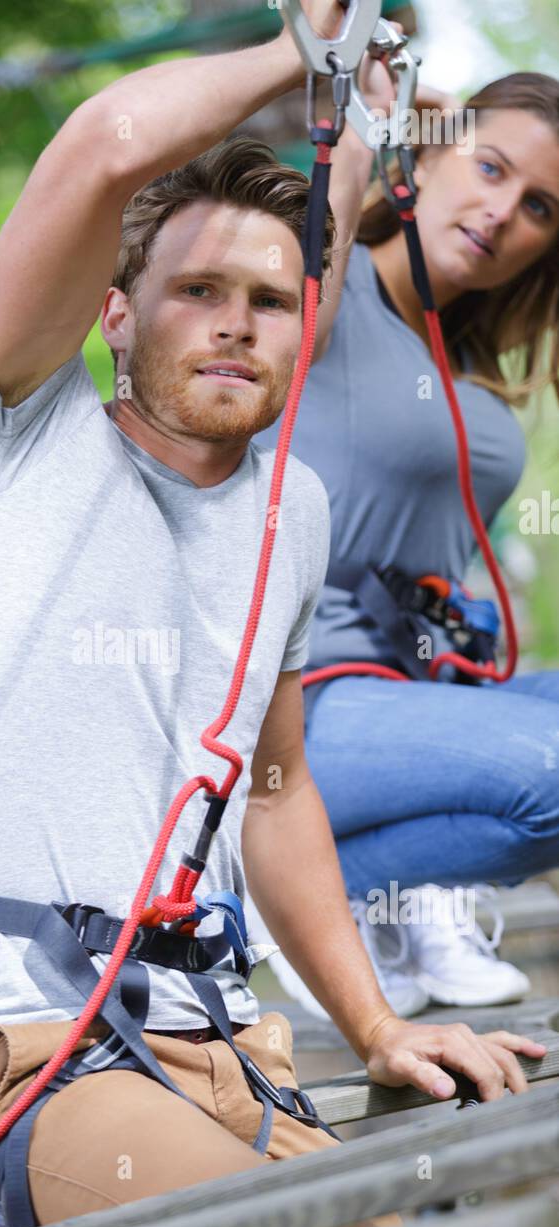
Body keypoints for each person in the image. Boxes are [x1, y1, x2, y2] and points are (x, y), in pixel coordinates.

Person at [0, 15, 546, 1227]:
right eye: (195, 291)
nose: (235, 321)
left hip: (221, 1047)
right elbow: (100, 150)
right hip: (16, 1050)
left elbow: (278, 786)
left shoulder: (286, 509)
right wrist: (294, 53)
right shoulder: (10, 436)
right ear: (115, 318)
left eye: (265, 298)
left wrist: (374, 1026)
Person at [253, 28, 559, 1019]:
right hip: (302, 706)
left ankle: (376, 888)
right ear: (425, 151)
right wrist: (349, 98)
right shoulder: (329, 311)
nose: (499, 211)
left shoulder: (467, 368)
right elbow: (320, 225)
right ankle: (296, 894)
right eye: (488, 166)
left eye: (537, 207)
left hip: (411, 688)